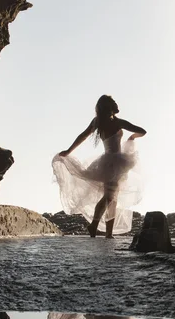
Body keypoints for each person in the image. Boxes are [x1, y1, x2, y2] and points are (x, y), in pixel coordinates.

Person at [52, 95, 146, 238]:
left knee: (112, 197)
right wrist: (132, 137)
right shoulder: (114, 122)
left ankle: (106, 231)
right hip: (112, 164)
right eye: (114, 102)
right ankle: (95, 225)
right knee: (109, 197)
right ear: (109, 107)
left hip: (114, 163)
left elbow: (83, 136)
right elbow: (142, 131)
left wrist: (69, 150)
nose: (116, 104)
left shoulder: (101, 122)